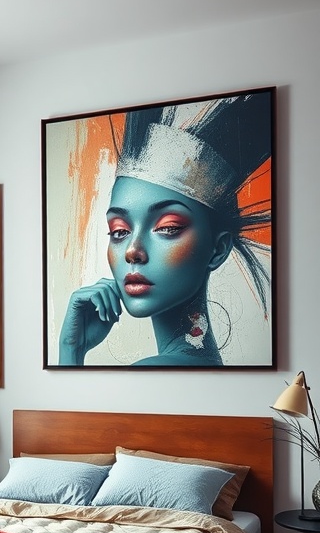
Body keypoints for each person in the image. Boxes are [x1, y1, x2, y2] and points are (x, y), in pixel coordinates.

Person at [58, 92, 272, 367]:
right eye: (119, 231)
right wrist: (73, 349)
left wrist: (69, 351)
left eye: (167, 227)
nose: (133, 251)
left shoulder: (151, 371)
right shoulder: (205, 367)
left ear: (217, 249)